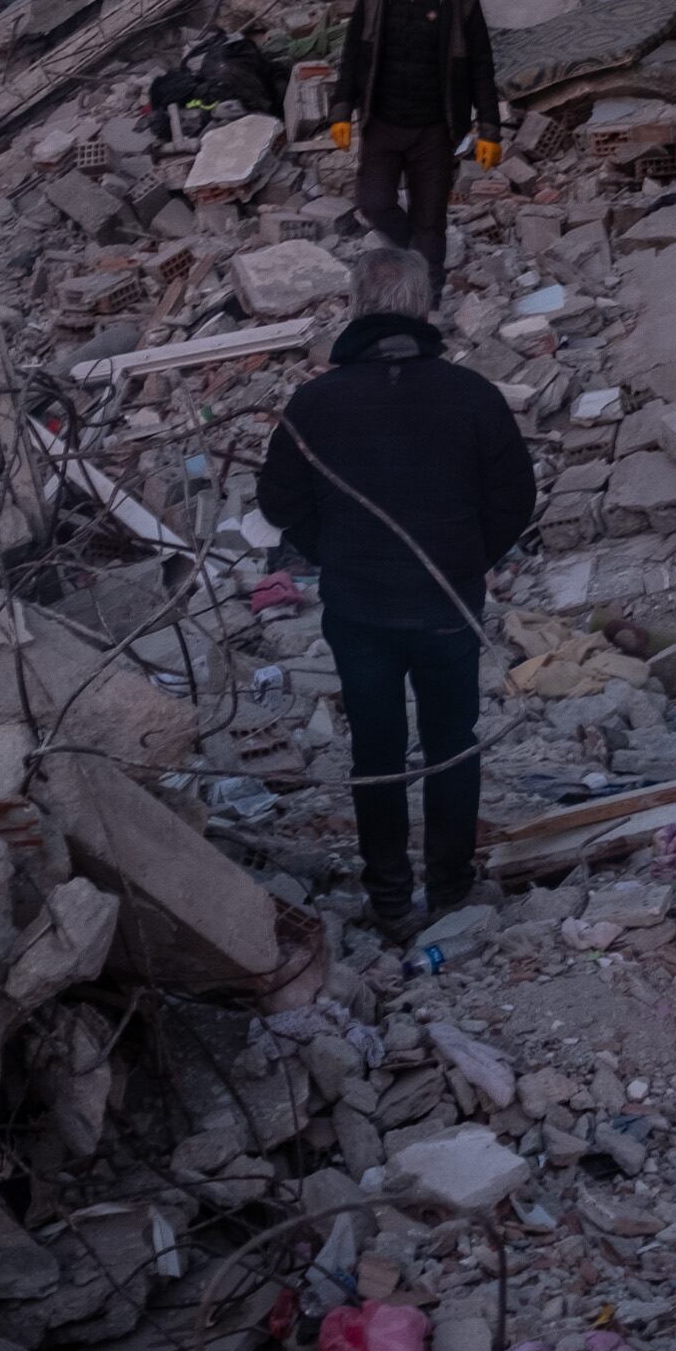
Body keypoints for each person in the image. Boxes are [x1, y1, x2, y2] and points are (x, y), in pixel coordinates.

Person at [260, 248, 539, 939]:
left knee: (376, 752)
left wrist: (337, 553)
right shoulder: (471, 394)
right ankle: (449, 887)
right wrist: (469, 560)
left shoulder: (315, 402)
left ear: (356, 306)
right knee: (451, 741)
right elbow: (515, 498)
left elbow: (278, 501)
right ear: (423, 308)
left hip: (359, 607)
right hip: (447, 602)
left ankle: (388, 897)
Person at [330, 0, 501, 292]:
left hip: (435, 130)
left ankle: (429, 301)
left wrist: (489, 127)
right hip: (383, 124)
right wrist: (341, 108)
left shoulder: (461, 1)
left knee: (430, 220)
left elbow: (481, 66)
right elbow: (354, 55)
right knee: (374, 203)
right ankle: (417, 258)